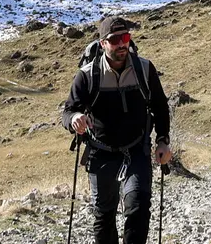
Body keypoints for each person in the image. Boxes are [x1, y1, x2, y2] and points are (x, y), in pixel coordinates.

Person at [60, 16, 173, 244]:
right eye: (115, 40)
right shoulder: (88, 75)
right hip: (101, 152)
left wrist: (162, 140)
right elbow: (68, 112)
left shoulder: (144, 69)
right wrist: (75, 119)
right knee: (104, 217)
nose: (122, 44)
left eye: (126, 38)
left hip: (137, 148)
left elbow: (160, 107)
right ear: (103, 43)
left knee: (138, 206)